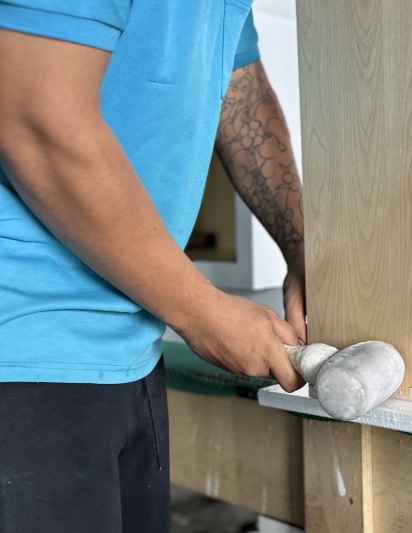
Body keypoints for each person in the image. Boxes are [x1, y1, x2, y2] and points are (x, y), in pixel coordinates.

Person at [0, 1, 306, 531]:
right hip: (22, 352)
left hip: (132, 345)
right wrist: (204, 311)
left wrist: (302, 246)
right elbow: (34, 120)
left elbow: (241, 89)